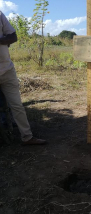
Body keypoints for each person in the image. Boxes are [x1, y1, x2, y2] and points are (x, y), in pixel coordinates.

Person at [0, 11, 46, 145]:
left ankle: (27, 137)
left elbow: (13, 36)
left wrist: (1, 40)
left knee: (17, 106)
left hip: (7, 69)